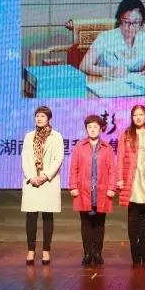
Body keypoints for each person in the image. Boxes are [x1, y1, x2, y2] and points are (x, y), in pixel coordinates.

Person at [68, 115, 117, 266]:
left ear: (101, 128)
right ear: (86, 129)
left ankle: (98, 253)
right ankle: (87, 253)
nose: (93, 129)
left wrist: (112, 187)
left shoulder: (107, 147)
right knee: (86, 223)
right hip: (84, 190)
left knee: (99, 223)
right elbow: (74, 168)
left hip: (101, 191)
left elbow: (112, 170)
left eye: (96, 126)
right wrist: (73, 186)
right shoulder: (80, 146)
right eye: (90, 127)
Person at [79, 0, 145, 78]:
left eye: (136, 22)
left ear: (141, 23)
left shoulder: (144, 38)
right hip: (107, 85)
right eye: (126, 22)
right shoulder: (105, 38)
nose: (131, 27)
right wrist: (110, 71)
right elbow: (83, 66)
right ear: (119, 20)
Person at [117, 104, 145, 266]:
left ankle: (143, 250)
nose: (138, 117)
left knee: (144, 216)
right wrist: (119, 178)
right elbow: (120, 157)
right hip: (132, 177)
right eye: (135, 115)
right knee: (133, 215)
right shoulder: (126, 134)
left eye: (141, 114)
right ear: (132, 117)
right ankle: (134, 250)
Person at [21, 106, 64, 266]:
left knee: (47, 216)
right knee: (31, 216)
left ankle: (46, 250)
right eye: (37, 116)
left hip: (48, 181)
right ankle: (31, 250)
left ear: (48, 119)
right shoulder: (28, 136)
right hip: (32, 181)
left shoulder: (56, 136)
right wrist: (31, 177)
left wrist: (45, 176)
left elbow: (58, 158)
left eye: (42, 116)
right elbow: (25, 158)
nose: (39, 119)